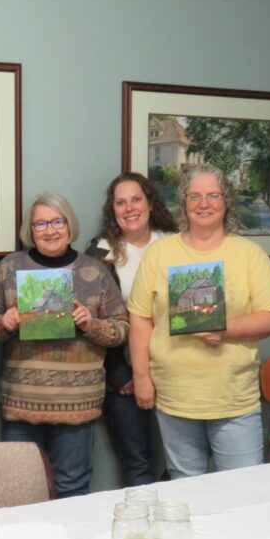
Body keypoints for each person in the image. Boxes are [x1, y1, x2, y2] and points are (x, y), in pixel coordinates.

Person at [127, 166, 270, 479]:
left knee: (243, 489)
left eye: (213, 195)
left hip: (233, 397)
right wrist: (142, 377)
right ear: (184, 202)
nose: (204, 204)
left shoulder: (249, 254)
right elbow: (141, 318)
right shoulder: (159, 254)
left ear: (226, 201)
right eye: (195, 196)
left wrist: (226, 331)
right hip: (175, 396)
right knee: (185, 488)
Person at [0, 192, 128, 497]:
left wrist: (91, 325)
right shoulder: (9, 268)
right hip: (22, 403)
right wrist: (6, 323)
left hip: (77, 403)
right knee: (20, 492)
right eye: (40, 224)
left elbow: (122, 329)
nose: (49, 230)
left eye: (57, 222)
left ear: (69, 225)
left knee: (71, 487)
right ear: (30, 229)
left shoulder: (96, 271)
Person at [86, 173, 177, 486]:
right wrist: (121, 374)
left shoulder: (176, 243)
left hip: (176, 370)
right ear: (112, 210)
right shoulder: (99, 254)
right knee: (137, 465)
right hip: (124, 377)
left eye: (136, 199)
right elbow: (93, 321)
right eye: (120, 203)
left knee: (185, 463)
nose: (129, 208)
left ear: (150, 203)